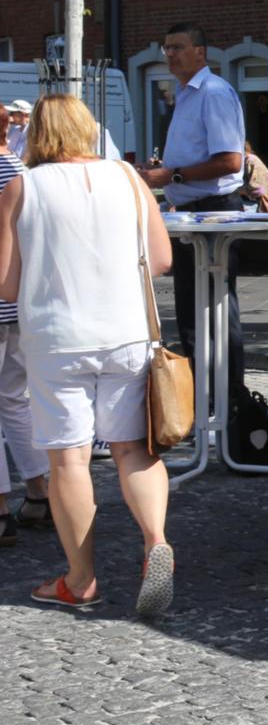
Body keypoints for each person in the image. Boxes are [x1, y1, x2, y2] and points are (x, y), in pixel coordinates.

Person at [0, 95, 175, 614]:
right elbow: (161, 259)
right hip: (127, 332)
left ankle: (81, 580)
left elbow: (7, 286)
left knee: (70, 459)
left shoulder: (22, 186)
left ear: (35, 134)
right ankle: (156, 541)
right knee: (134, 450)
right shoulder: (127, 178)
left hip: (57, 338)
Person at [135, 23, 250, 411]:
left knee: (215, 309)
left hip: (213, 213)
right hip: (191, 211)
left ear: (200, 52)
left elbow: (230, 161)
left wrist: (172, 175)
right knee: (191, 312)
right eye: (166, 48)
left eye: (178, 48)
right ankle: (203, 403)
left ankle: (229, 402)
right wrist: (165, 171)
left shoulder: (213, 93)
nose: (170, 55)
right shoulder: (185, 94)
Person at [0, 102, 51, 543]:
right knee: (14, 399)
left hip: (1, 297)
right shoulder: (21, 170)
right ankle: (39, 495)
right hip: (22, 305)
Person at [239, 142, 268, 213]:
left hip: (258, 203)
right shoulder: (246, 160)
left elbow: (258, 190)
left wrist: (238, 191)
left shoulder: (250, 159)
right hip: (250, 200)